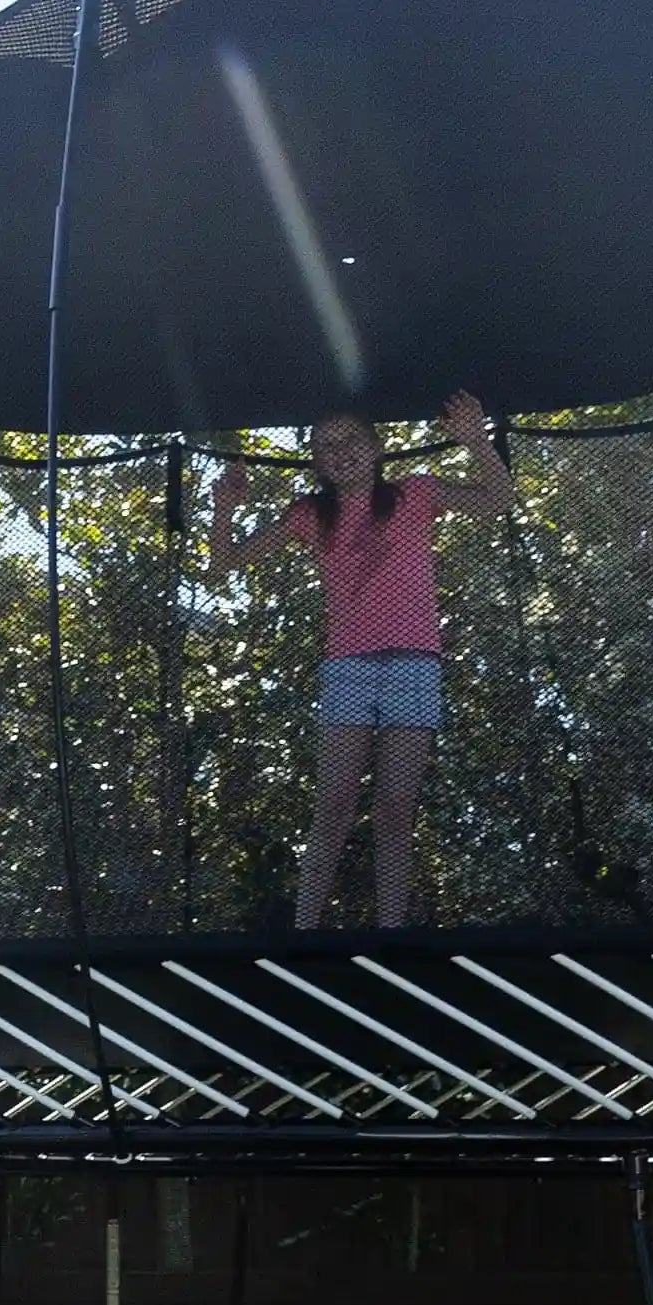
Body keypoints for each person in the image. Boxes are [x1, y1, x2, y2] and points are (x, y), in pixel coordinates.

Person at [208, 391, 516, 930]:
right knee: (333, 805)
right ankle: (304, 932)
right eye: (325, 446)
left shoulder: (414, 494)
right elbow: (224, 564)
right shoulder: (310, 515)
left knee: (396, 809)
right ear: (316, 463)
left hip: (414, 665)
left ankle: (389, 937)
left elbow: (498, 500)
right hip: (349, 667)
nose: (340, 451)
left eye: (350, 438)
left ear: (375, 445)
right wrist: (224, 510)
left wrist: (476, 441)